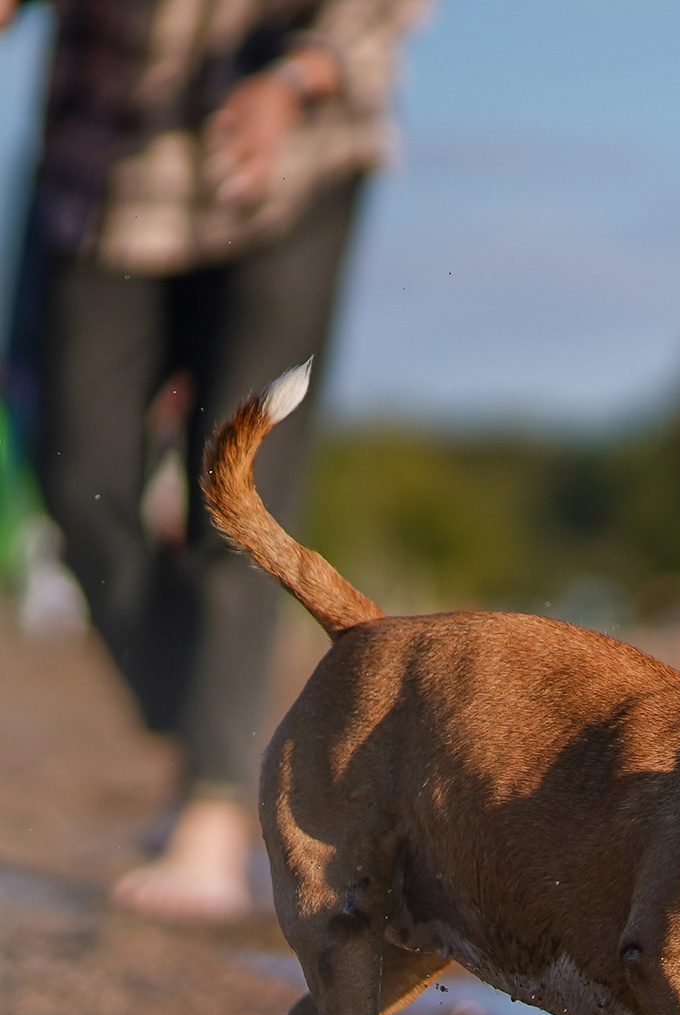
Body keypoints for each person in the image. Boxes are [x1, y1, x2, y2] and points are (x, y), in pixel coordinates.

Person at [4, 0, 432, 921]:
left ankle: (212, 800)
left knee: (235, 491)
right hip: (105, 165)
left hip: (292, 160)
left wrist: (294, 78)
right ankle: (202, 716)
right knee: (75, 469)